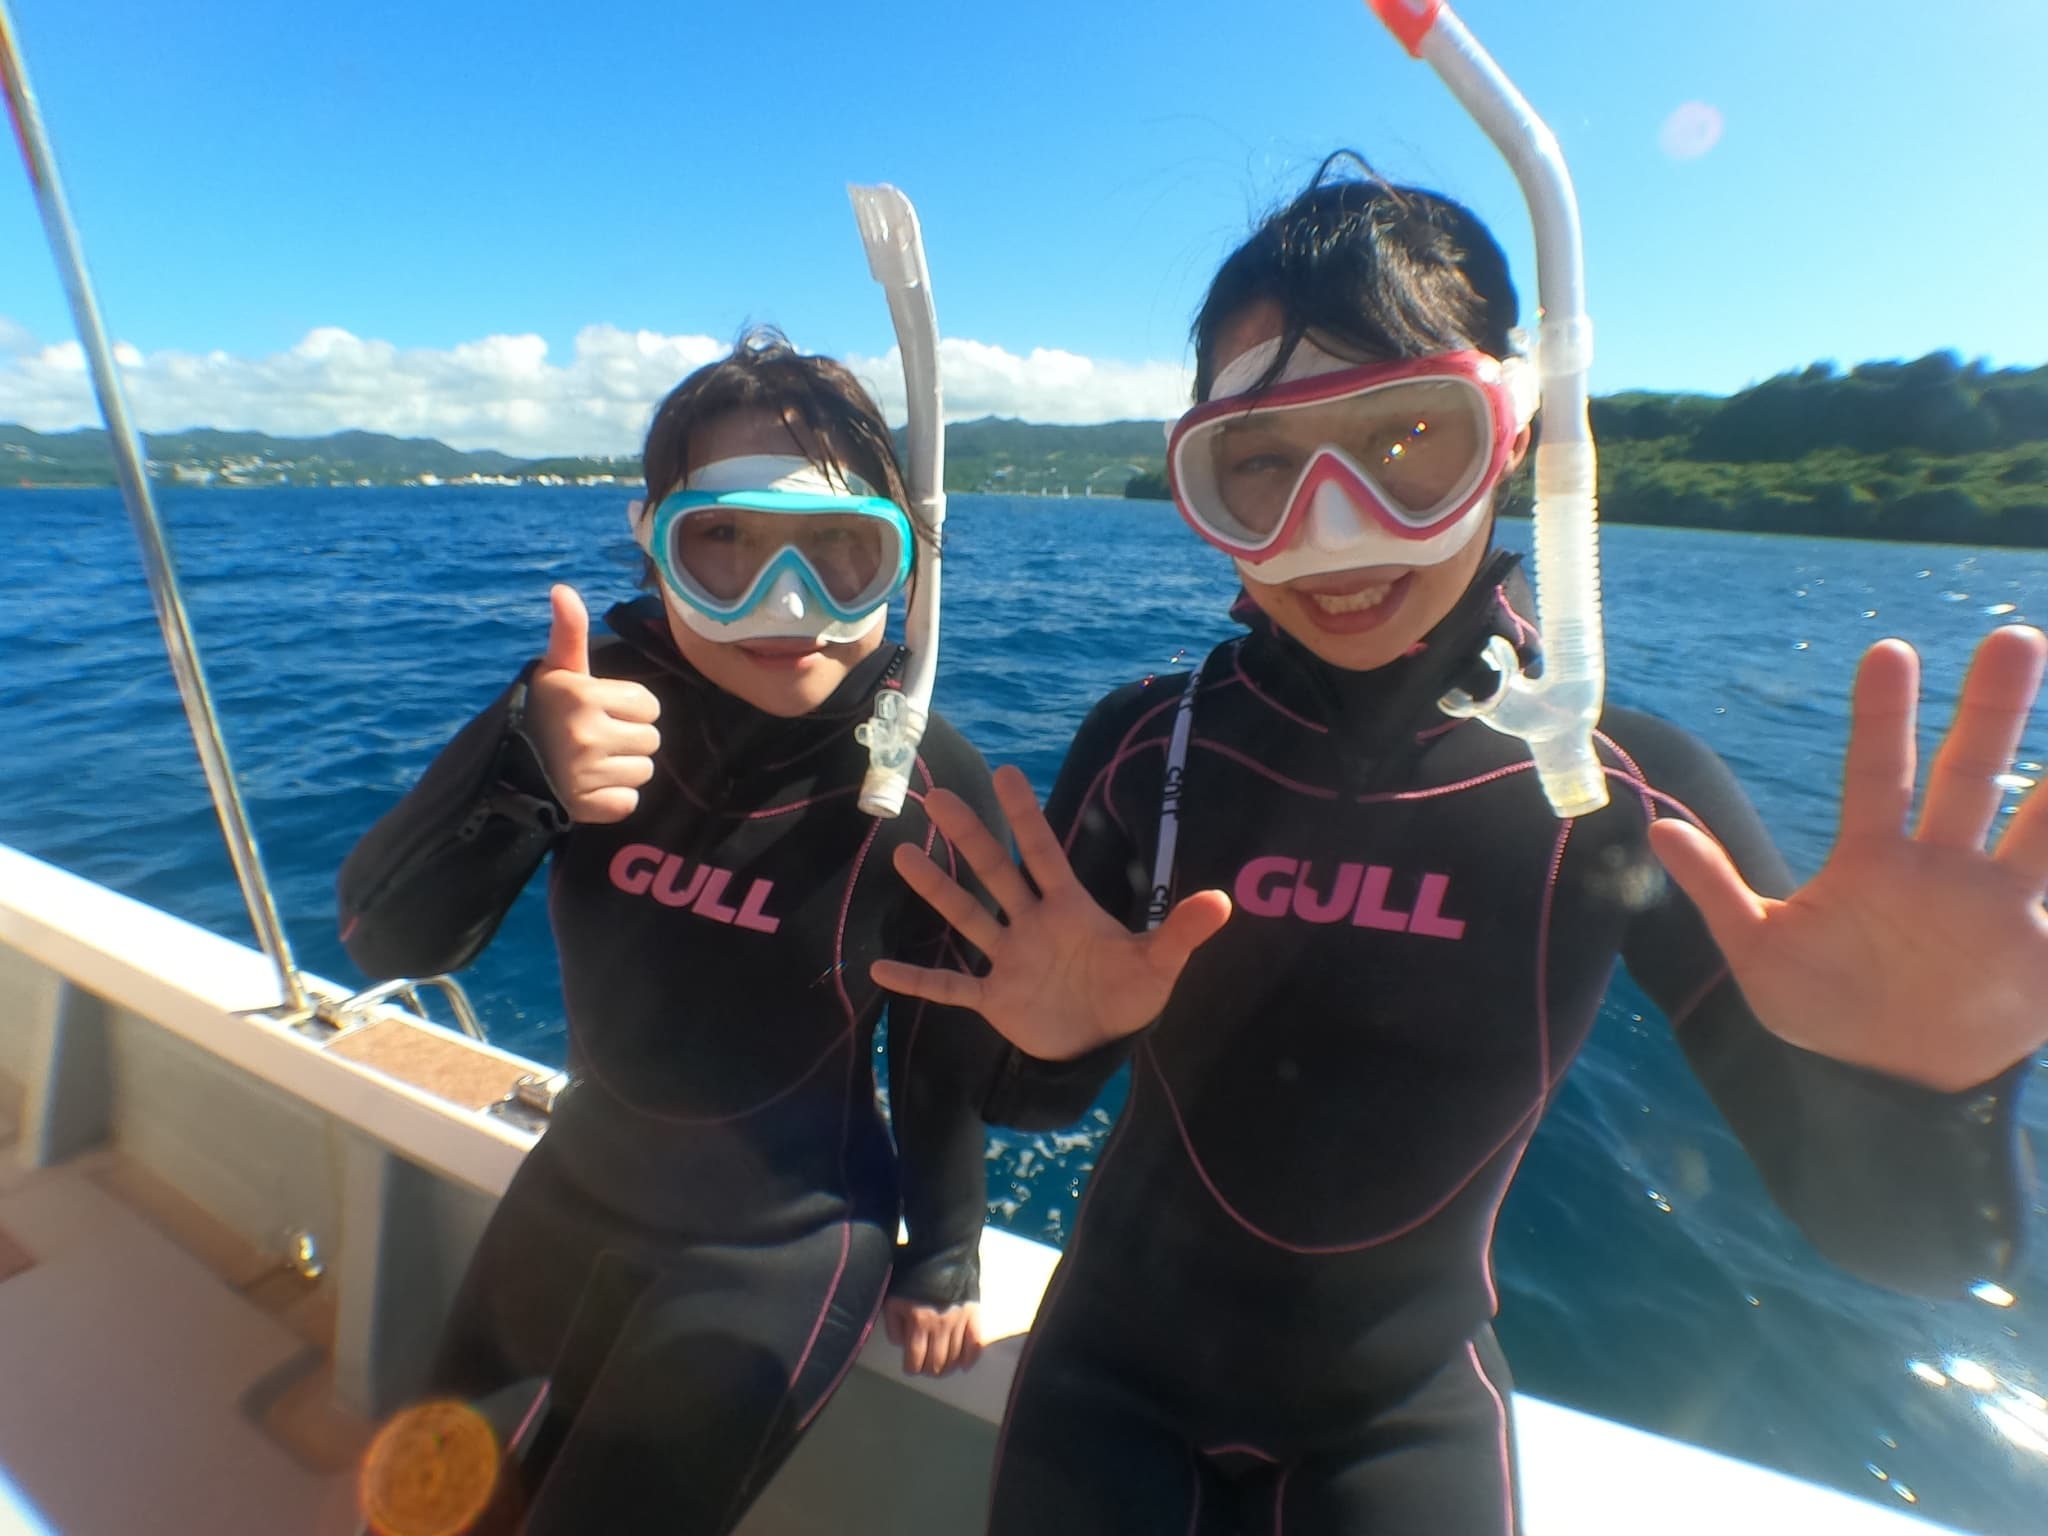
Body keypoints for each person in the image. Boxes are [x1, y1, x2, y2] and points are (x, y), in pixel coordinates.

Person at [873, 164, 2047, 1535]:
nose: (1330, 529)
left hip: (1395, 1416)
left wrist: (1929, 1091)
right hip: (1108, 1380)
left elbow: (1901, 1247)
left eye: (1406, 440)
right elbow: (1017, 1099)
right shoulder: (1157, 748)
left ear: (1519, 437)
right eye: (1259, 466)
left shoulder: (1612, 786)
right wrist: (1054, 1044)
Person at [337, 330, 1008, 1534]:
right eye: (727, 545)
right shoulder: (581, 702)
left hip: (782, 1251)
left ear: (903, 563)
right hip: (577, 1186)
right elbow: (389, 943)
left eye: (840, 554)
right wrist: (521, 773)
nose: (784, 607)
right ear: (656, 542)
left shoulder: (923, 787)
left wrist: (946, 1249)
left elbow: (938, 1043)